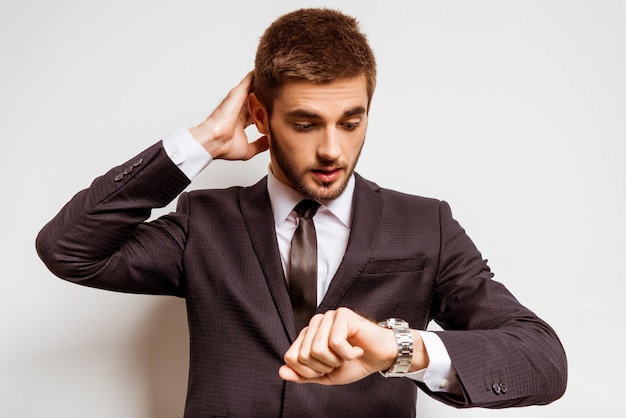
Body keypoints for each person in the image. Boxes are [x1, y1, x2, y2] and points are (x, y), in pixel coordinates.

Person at [36, 7, 567, 418]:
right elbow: (69, 249)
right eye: (307, 123)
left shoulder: (425, 226)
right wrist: (200, 143)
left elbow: (542, 360)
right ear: (262, 118)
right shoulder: (205, 222)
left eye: (351, 121)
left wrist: (398, 350)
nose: (333, 149)